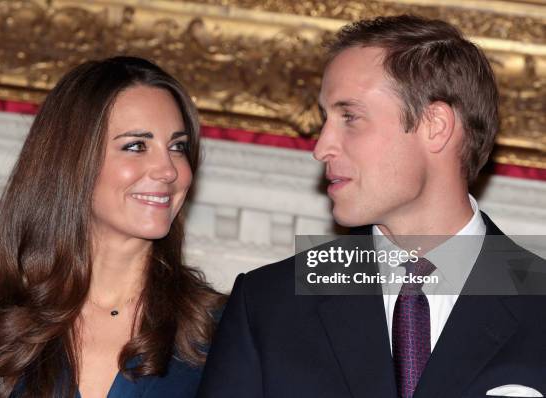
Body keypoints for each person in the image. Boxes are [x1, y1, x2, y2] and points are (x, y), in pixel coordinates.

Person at [198, 15, 546, 398]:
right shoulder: (268, 306)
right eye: (325, 120)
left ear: (435, 126)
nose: (321, 147)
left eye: (350, 117)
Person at [0, 56, 224, 398]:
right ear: (73, 161)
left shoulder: (220, 330)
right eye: (136, 145)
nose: (168, 170)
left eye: (178, 147)